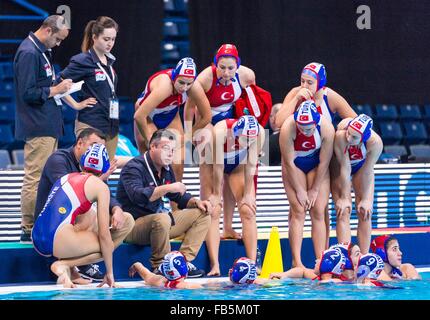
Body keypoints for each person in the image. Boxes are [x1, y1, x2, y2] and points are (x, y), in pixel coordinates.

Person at [34, 127, 135, 281]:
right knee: (108, 243)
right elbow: (104, 235)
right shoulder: (58, 159)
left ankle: (73, 269)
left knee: (117, 217)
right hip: (57, 237)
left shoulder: (74, 175)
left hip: (39, 235)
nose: (96, 149)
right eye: (93, 145)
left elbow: (74, 191)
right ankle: (67, 264)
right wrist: (110, 273)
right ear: (79, 143)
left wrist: (116, 208)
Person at [275, 62, 357, 248]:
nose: (305, 86)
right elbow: (278, 123)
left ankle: (325, 255)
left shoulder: (331, 97)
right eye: (302, 81)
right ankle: (298, 260)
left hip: (322, 159)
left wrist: (342, 128)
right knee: (298, 209)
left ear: (320, 83)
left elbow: (353, 120)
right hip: (296, 159)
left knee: (321, 209)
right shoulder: (296, 92)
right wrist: (296, 99)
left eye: (309, 82)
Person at [184, 44, 256, 246]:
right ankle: (206, 225)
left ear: (237, 66)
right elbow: (189, 110)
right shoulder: (204, 79)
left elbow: (252, 103)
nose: (225, 72)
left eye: (230, 68)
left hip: (230, 123)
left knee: (232, 172)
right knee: (210, 163)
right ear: (215, 65)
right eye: (221, 67)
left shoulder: (247, 76)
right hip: (207, 123)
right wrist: (189, 136)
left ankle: (228, 226)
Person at [116, 129, 212, 277]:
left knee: (203, 214)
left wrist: (196, 202)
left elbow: (178, 196)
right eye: (166, 148)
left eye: (172, 150)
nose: (170, 154)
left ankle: (182, 262)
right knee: (162, 218)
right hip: (132, 227)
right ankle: (161, 266)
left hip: (159, 224)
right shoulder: (134, 167)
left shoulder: (165, 168)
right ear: (153, 147)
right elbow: (138, 196)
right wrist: (169, 187)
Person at [13, 15, 72, 243]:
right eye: (57, 39)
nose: (58, 44)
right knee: (35, 177)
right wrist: (56, 90)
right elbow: (27, 93)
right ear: (47, 30)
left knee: (46, 178)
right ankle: (28, 227)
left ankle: (38, 222)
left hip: (47, 123)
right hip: (37, 125)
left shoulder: (41, 51)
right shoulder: (29, 52)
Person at [134, 57, 211, 186]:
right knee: (152, 160)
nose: (184, 87)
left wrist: (189, 136)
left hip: (170, 115)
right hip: (148, 116)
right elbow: (139, 115)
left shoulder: (194, 87)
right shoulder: (165, 87)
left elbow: (207, 116)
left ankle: (176, 205)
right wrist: (149, 140)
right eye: (181, 82)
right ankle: (152, 202)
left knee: (178, 161)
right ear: (174, 77)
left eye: (189, 83)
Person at [206, 115, 265, 276]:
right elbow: (218, 166)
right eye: (244, 139)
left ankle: (252, 264)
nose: (248, 142)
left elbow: (251, 164)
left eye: (250, 140)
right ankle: (215, 265)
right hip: (211, 162)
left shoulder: (259, 132)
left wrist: (247, 195)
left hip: (239, 162)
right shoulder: (220, 132)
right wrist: (217, 194)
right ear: (235, 133)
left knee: (247, 209)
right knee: (213, 209)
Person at [278, 101, 334, 267]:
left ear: (315, 123)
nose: (304, 131)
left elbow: (324, 162)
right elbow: (288, 163)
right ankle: (297, 262)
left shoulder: (327, 128)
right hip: (294, 165)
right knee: (298, 211)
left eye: (308, 128)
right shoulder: (288, 128)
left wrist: (315, 189)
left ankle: (320, 261)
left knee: (317, 210)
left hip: (316, 165)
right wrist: (301, 191)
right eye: (301, 127)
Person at [60, 16, 120, 161]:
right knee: (88, 170)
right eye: (106, 39)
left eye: (112, 39)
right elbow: (58, 82)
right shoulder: (83, 60)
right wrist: (76, 104)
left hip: (111, 125)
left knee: (106, 171)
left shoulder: (109, 60)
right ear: (94, 37)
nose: (110, 43)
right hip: (91, 124)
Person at [333, 114, 383, 253]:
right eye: (349, 133)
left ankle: (364, 258)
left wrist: (366, 199)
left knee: (365, 212)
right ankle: (346, 258)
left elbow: (368, 170)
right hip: (340, 166)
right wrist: (344, 197)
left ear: (364, 137)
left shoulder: (375, 143)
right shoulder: (341, 135)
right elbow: (345, 166)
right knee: (343, 211)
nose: (349, 138)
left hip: (362, 168)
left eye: (354, 137)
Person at [270, 247, 346, 283]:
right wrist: (285, 275)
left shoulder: (337, 282)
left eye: (319, 259)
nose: (316, 260)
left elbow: (327, 283)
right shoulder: (317, 277)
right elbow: (302, 271)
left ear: (326, 264)